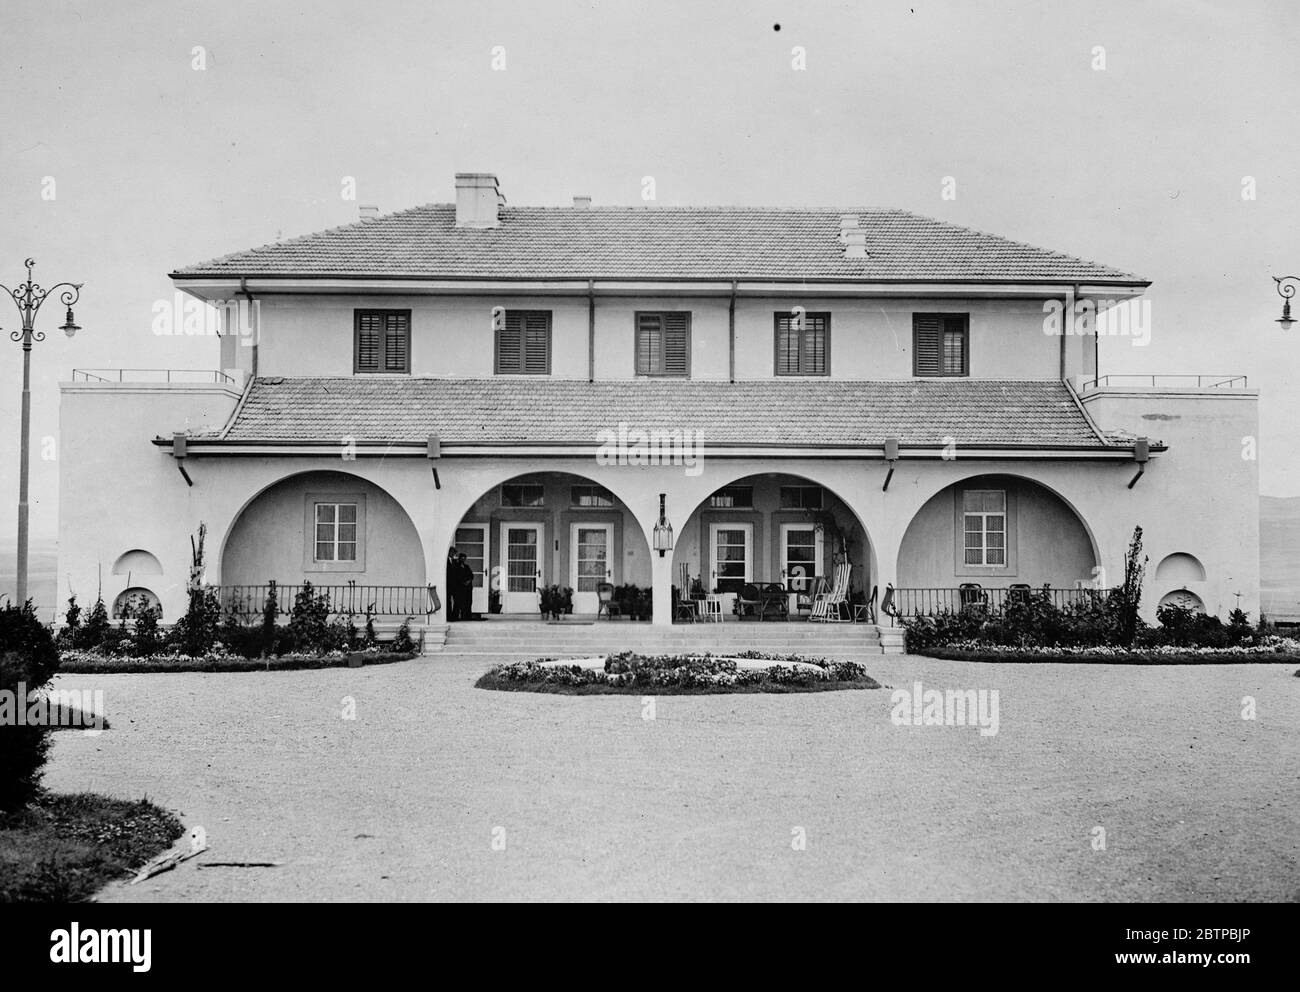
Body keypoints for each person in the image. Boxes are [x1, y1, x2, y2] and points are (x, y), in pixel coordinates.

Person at [454, 552, 476, 620]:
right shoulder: (456, 567)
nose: (463, 560)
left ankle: (468, 616)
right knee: (461, 602)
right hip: (461, 588)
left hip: (468, 588)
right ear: (459, 558)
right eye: (461, 558)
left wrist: (468, 581)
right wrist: (463, 582)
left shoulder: (466, 566)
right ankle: (460, 616)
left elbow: (471, 575)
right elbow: (456, 576)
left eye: (464, 559)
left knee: (468, 601)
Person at [446, 547, 460, 621]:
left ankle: (455, 615)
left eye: (454, 553)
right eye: (452, 553)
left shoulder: (454, 561)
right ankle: (449, 616)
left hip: (455, 584)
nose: (453, 554)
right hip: (448, 584)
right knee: (448, 600)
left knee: (457, 599)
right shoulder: (445, 560)